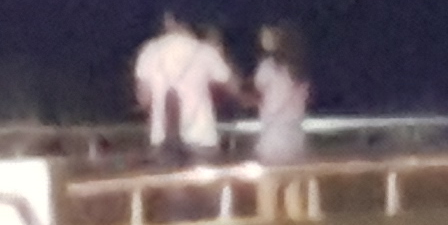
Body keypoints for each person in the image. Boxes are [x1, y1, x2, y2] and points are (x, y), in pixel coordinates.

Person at [130, 11, 238, 161]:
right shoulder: (206, 51)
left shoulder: (149, 51)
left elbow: (144, 99)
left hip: (162, 140)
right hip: (202, 138)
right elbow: (234, 88)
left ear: (168, 19)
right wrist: (220, 53)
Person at [250, 23, 314, 166]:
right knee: (293, 175)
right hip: (295, 131)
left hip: (274, 132)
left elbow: (257, 91)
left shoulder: (268, 66)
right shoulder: (299, 68)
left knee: (271, 176)